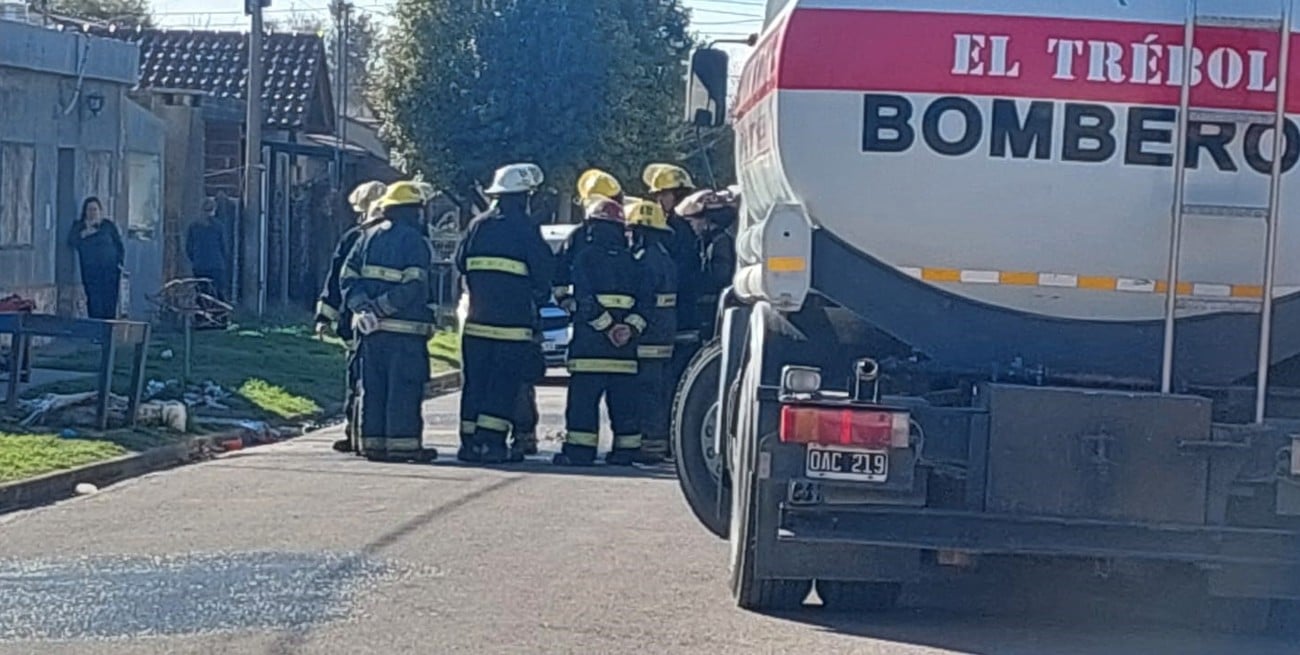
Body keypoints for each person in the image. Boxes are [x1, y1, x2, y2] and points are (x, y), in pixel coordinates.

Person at [454, 163, 555, 464]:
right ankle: (492, 444)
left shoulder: (477, 226)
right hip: (513, 327)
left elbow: (459, 263)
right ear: (524, 196)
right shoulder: (526, 230)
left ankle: (469, 444)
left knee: (475, 384)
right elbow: (544, 274)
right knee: (502, 386)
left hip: (476, 323)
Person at [340, 181, 440, 463]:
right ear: (413, 211)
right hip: (405, 335)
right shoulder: (415, 241)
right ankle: (403, 447)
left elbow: (347, 278)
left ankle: (372, 445)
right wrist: (381, 308)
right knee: (403, 389)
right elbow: (415, 285)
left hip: (371, 333)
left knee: (373, 388)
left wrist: (363, 309)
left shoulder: (366, 237)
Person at [554, 196, 654, 467]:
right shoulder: (634, 262)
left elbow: (584, 300)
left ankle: (579, 452)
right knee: (625, 406)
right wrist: (628, 329)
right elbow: (647, 304)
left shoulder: (585, 259)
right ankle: (625, 452)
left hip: (589, 351)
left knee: (583, 405)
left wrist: (608, 327)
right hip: (625, 354)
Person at [315, 180, 388, 454]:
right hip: (388, 322)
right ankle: (377, 434)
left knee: (358, 380)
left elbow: (337, 279)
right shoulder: (401, 237)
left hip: (355, 321)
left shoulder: (354, 237)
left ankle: (355, 434)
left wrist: (325, 316)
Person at [625, 198, 678, 464]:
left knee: (645, 392)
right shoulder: (664, 257)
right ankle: (657, 442)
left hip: (648, 334)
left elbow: (643, 298)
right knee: (658, 391)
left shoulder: (644, 260)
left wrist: (630, 326)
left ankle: (649, 445)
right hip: (664, 333)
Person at [552, 168, 624, 311]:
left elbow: (560, 273)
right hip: (624, 315)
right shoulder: (630, 235)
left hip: (586, 314)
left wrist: (565, 300)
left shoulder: (578, 236)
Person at [677, 189, 739, 340]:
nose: (691, 226)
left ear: (706, 220)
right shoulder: (709, 242)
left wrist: (693, 280)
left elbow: (720, 277)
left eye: (691, 221)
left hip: (713, 312)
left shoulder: (720, 242)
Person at [67, 196, 125, 320]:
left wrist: (120, 262)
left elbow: (119, 245)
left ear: (100, 211)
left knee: (110, 301)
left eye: (95, 209)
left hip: (110, 271)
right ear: (85, 212)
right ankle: (96, 327)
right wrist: (86, 232)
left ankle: (109, 327)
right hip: (91, 272)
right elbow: (72, 241)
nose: (92, 213)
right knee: (95, 302)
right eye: (89, 210)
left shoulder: (108, 226)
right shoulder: (80, 226)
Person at [186, 198, 230, 301]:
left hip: (199, 266)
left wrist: (196, 259)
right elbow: (224, 247)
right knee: (218, 293)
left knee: (201, 293)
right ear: (214, 209)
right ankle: (217, 310)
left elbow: (188, 248)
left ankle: (202, 310)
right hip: (216, 266)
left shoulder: (194, 226)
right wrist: (223, 261)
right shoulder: (219, 226)